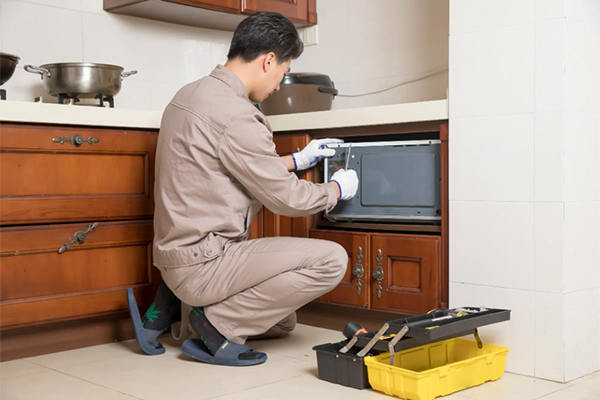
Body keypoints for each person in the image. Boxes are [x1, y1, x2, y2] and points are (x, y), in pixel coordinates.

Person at [127, 11, 359, 367]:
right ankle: (214, 326)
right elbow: (286, 198)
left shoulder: (188, 94)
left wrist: (297, 160)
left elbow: (226, 166)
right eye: (283, 72)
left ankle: (176, 308)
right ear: (269, 61)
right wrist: (336, 189)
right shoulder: (236, 113)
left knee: (283, 321)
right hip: (205, 261)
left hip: (177, 256)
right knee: (331, 260)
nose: (279, 85)